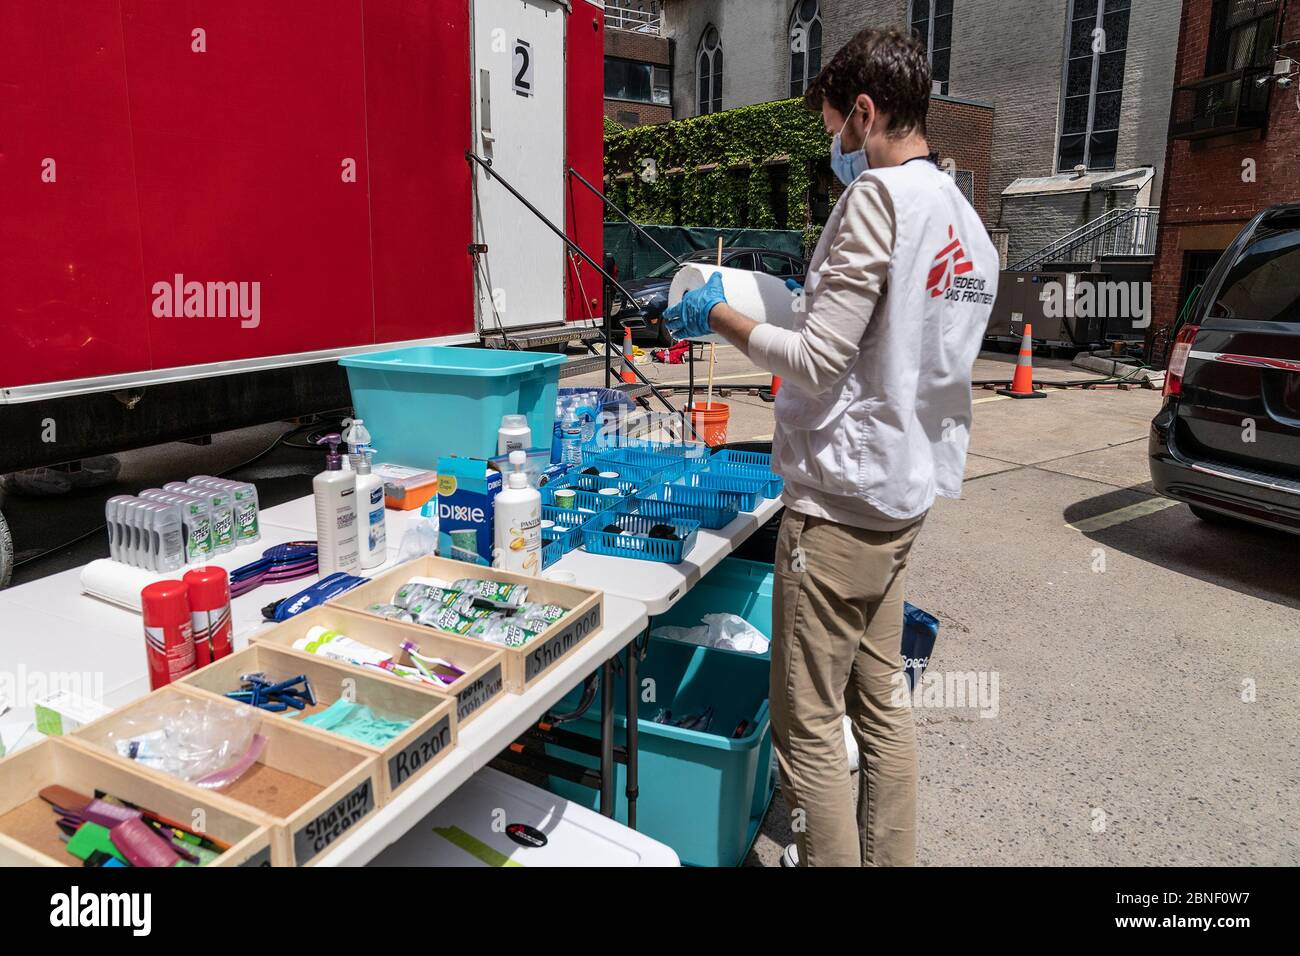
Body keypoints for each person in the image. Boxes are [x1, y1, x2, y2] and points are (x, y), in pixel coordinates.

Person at [665, 28, 998, 867]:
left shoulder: (878, 200)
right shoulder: (963, 221)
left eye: (832, 131)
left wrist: (720, 314)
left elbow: (816, 359)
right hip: (901, 498)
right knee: (880, 700)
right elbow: (896, 346)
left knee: (809, 726)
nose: (833, 150)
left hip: (839, 510)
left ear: (863, 112)